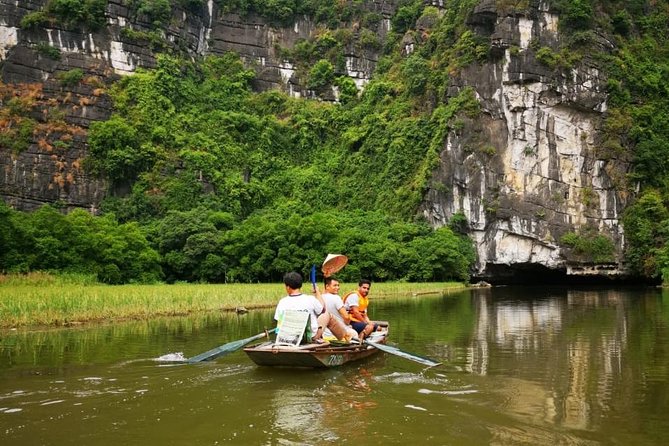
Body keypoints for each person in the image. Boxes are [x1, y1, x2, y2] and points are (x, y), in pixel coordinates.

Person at [274, 271, 350, 343]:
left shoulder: (282, 302)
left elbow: (278, 321)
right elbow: (323, 310)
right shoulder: (310, 299)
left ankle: (343, 336)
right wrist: (317, 292)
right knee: (327, 315)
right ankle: (344, 337)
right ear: (300, 285)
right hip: (310, 338)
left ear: (287, 287)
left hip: (286, 338)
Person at [321, 277, 359, 341]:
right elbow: (346, 317)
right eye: (335, 285)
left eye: (338, 285)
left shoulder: (320, 297)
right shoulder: (336, 298)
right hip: (339, 333)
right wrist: (348, 324)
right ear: (327, 286)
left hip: (324, 333)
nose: (338, 288)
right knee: (354, 333)